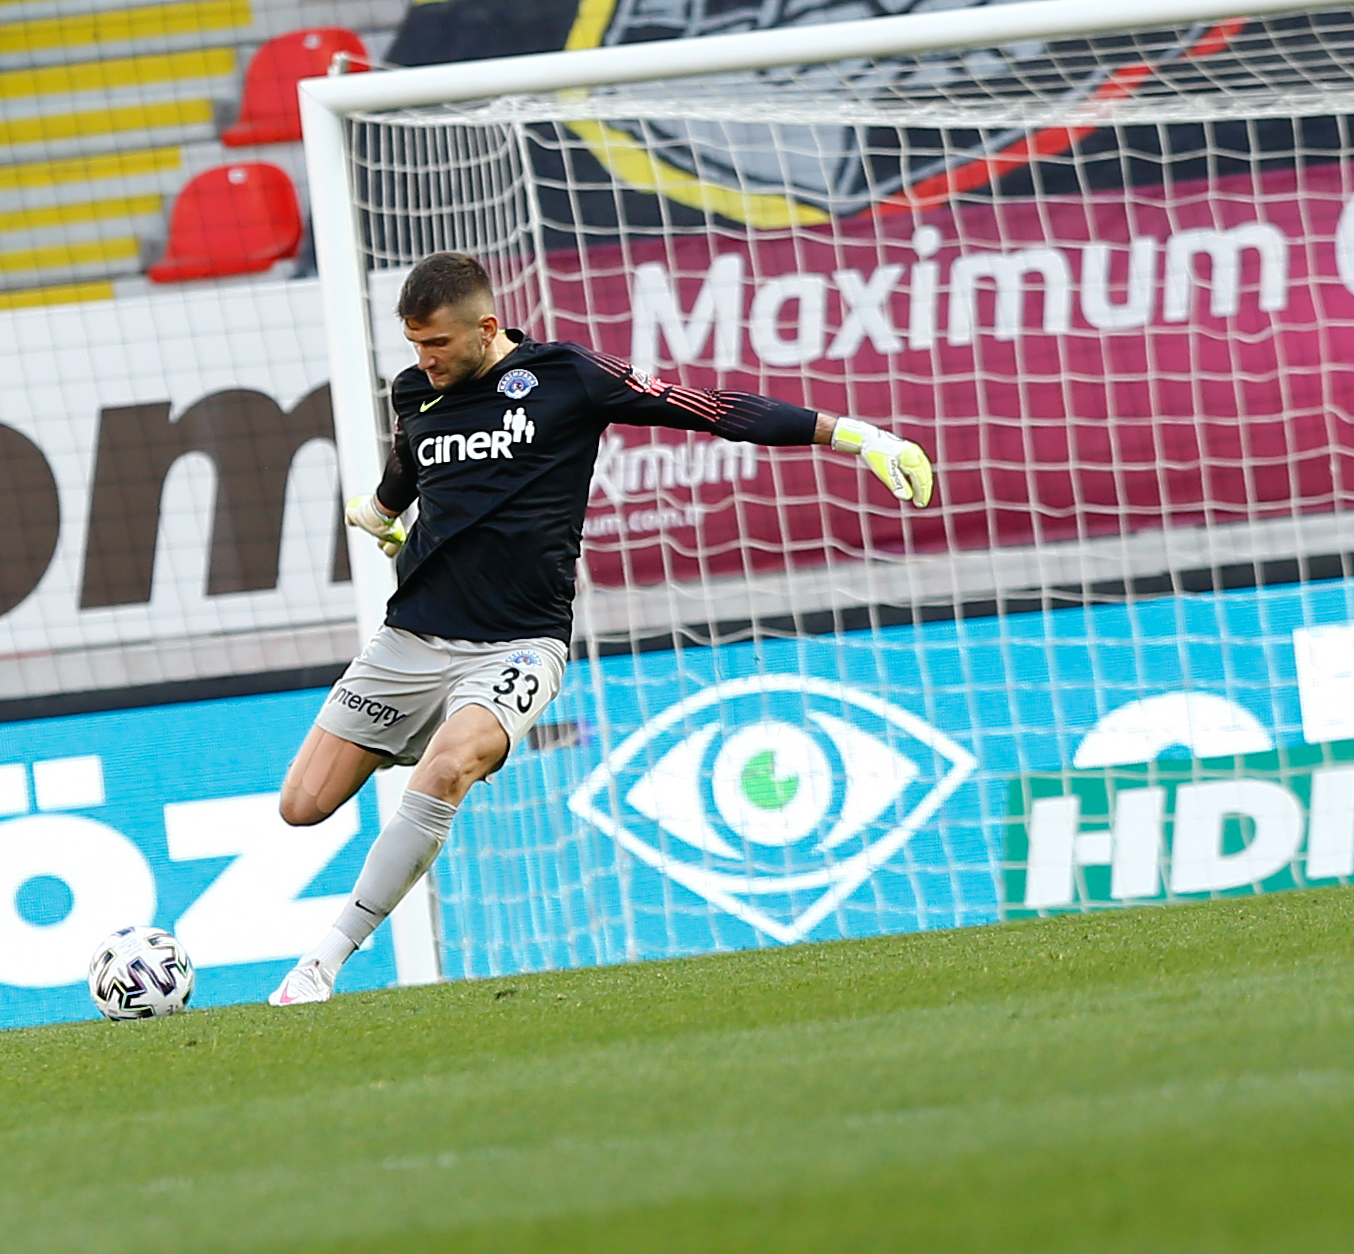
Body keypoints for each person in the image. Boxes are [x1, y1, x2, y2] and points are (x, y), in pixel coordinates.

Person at [268, 251, 934, 1005]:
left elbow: (710, 409)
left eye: (438, 344)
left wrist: (857, 436)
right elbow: (411, 464)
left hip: (518, 644)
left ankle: (323, 962)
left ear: (486, 328)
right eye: (415, 345)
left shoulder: (568, 377)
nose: (425, 360)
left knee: (449, 769)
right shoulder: (417, 390)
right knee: (302, 806)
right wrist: (382, 512)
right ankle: (434, 735)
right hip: (413, 638)